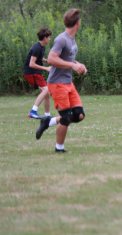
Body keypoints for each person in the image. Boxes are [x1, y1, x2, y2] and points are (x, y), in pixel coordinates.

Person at [35, 9, 88, 153]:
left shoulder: (71, 39)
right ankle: (59, 149)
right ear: (78, 23)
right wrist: (72, 65)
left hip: (68, 82)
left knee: (78, 115)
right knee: (65, 118)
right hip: (57, 83)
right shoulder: (61, 39)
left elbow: (67, 57)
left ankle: (48, 121)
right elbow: (52, 59)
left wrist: (78, 63)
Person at [23, 27, 53, 119]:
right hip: (31, 72)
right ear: (45, 38)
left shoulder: (41, 47)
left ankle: (47, 116)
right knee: (46, 90)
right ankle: (33, 111)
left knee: (47, 93)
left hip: (35, 72)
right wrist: (46, 68)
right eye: (49, 37)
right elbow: (31, 64)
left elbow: (38, 59)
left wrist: (47, 61)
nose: (50, 39)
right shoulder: (37, 48)